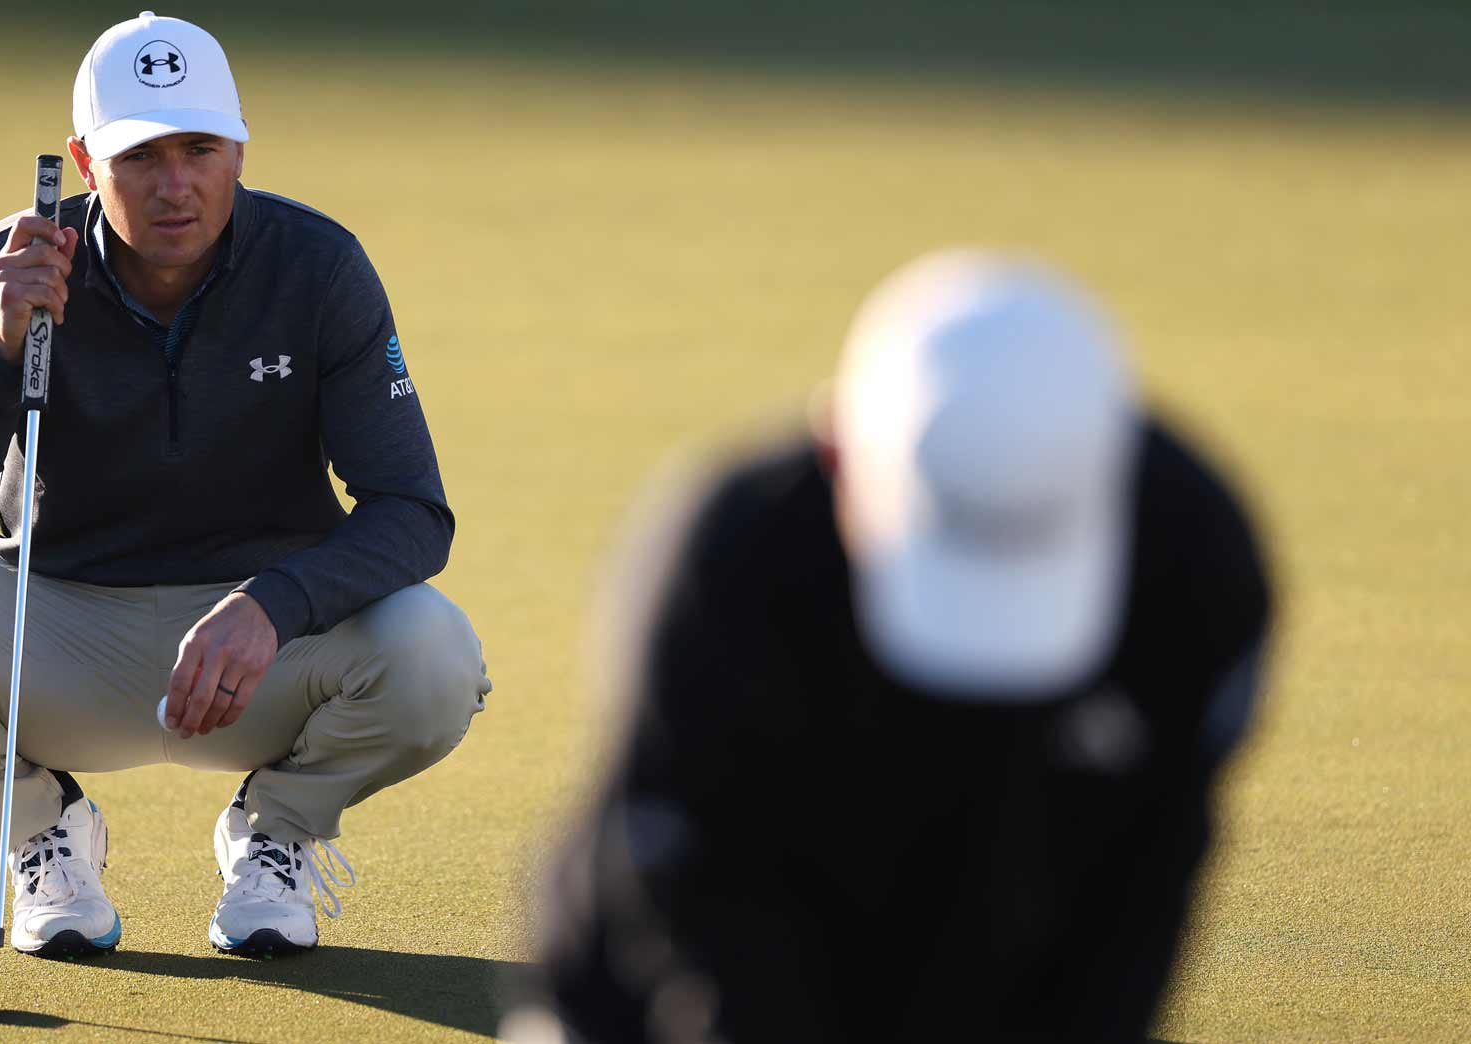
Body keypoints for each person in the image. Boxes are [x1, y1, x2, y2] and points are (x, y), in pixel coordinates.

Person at [0, 11, 490, 961]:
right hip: (55, 623)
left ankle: (279, 832)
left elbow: (412, 511)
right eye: (141, 157)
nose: (177, 186)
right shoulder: (4, 273)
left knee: (436, 657)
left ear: (240, 149)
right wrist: (0, 353)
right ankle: (44, 832)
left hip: (264, 649)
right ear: (87, 165)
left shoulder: (317, 266)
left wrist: (275, 603)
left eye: (200, 149)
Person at [509, 251, 1273, 1042]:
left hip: (1013, 940)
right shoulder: (726, 565)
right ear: (839, 452)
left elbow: (1143, 886)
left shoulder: (1199, 571)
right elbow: (696, 892)